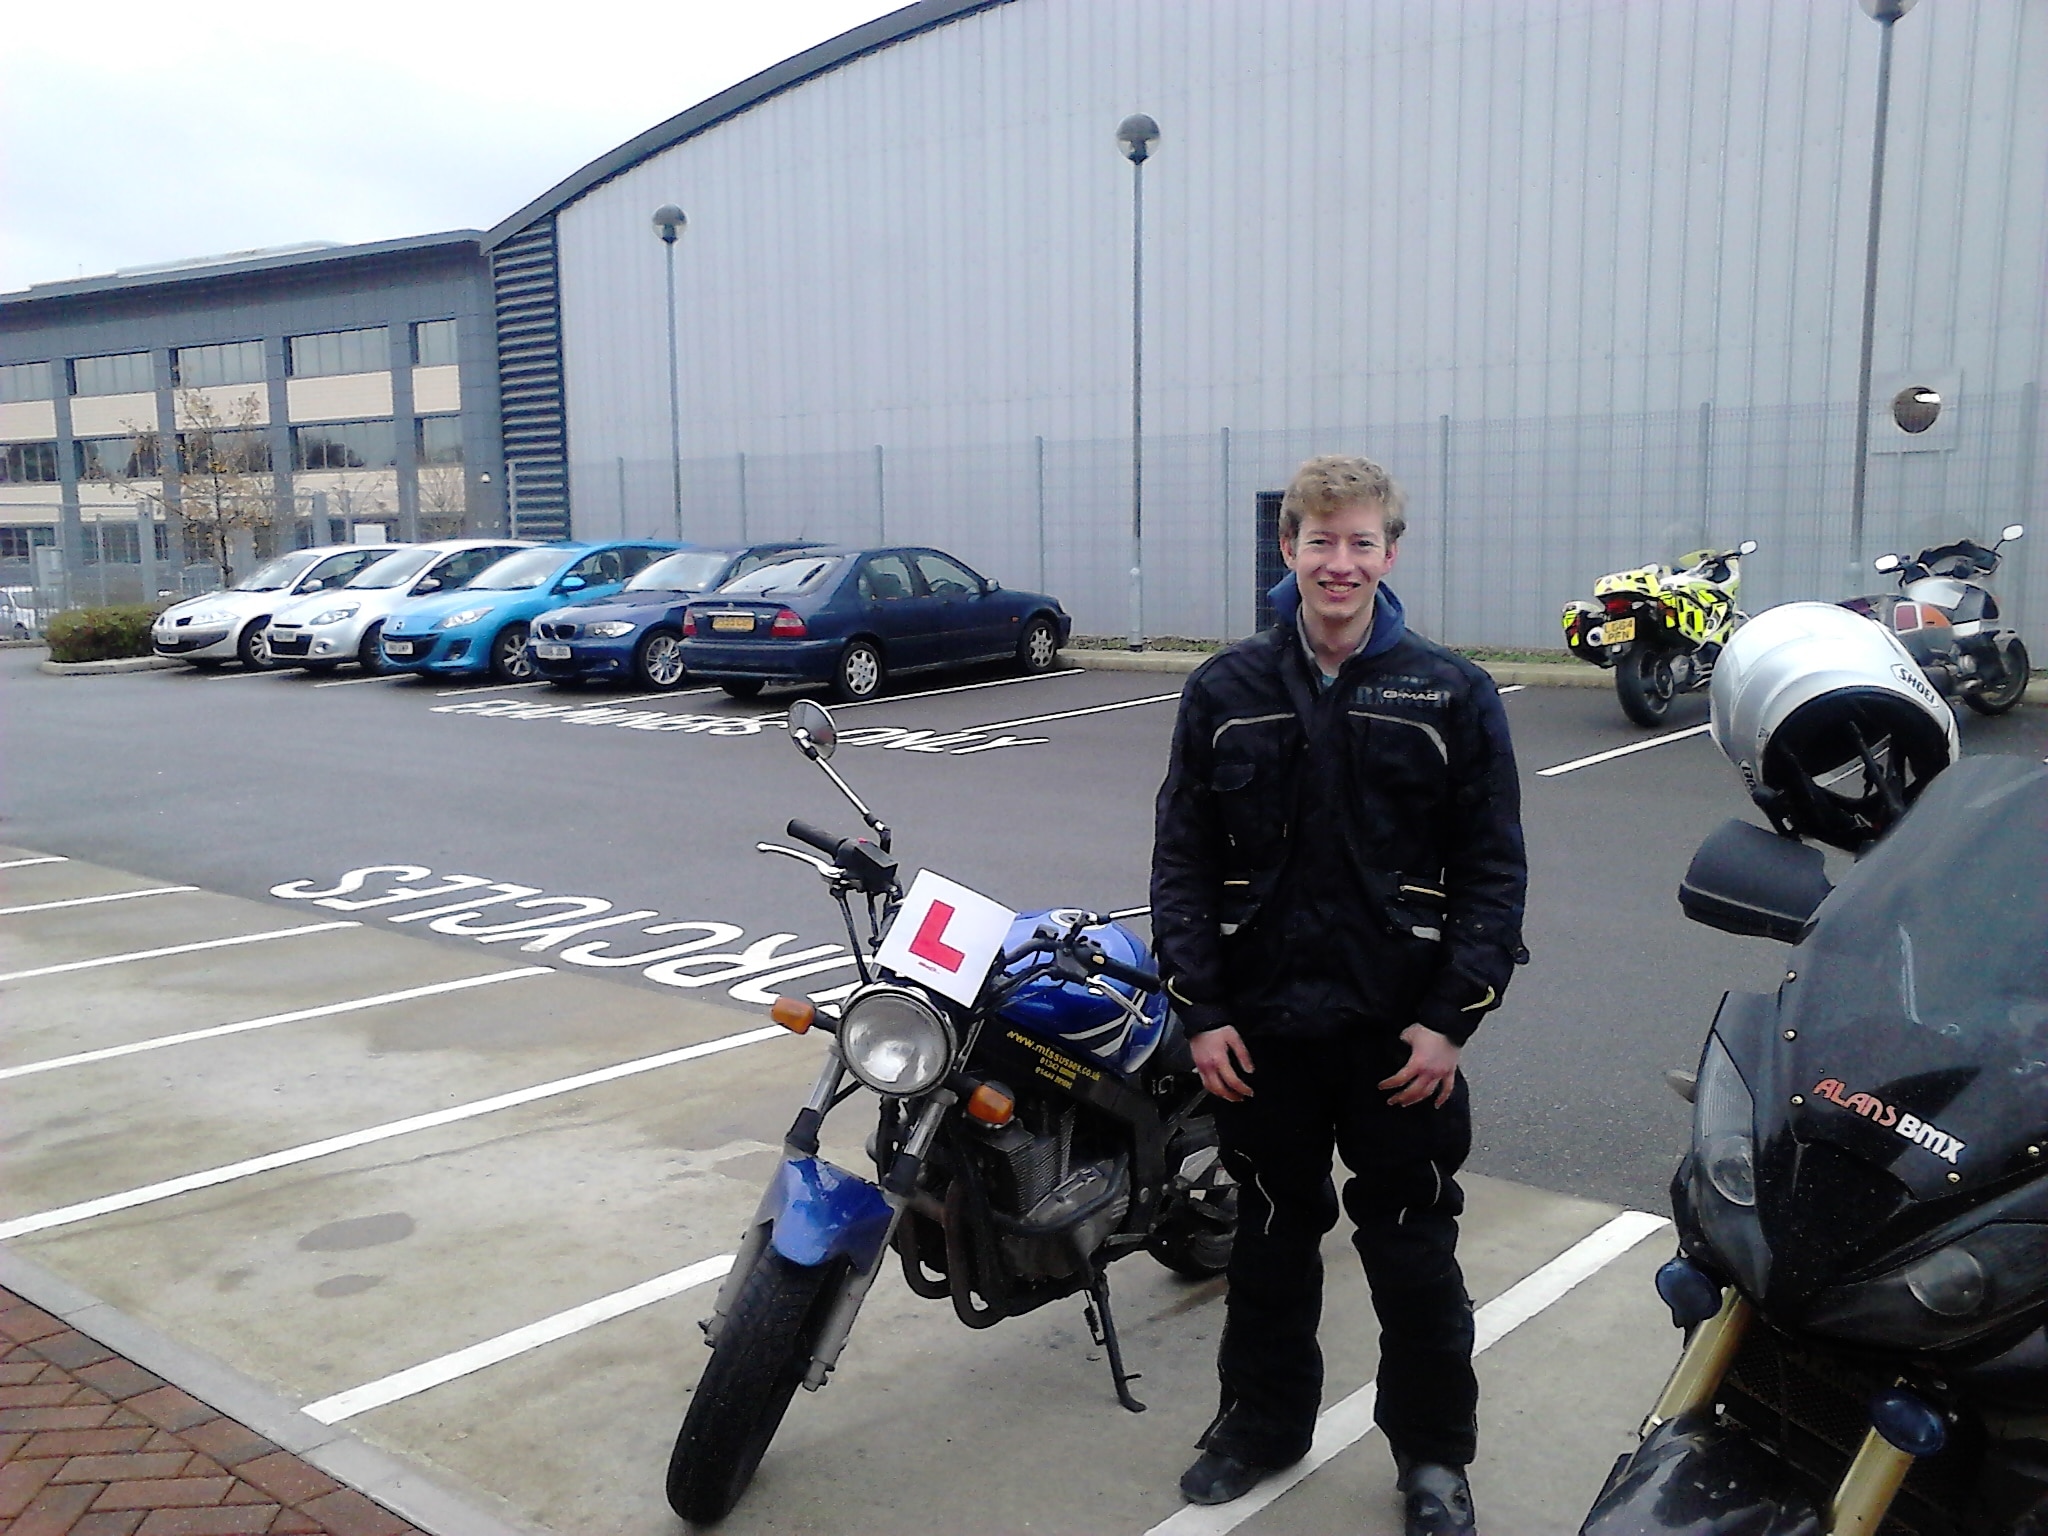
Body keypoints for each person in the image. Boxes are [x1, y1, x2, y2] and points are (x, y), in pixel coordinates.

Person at [1149, 454, 1527, 1536]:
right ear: (1288, 549)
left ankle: (1433, 1463)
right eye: (1320, 541)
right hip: (1260, 1031)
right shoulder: (1223, 690)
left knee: (1410, 1247)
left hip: (1394, 1038)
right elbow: (1179, 863)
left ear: (1389, 553)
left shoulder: (1448, 693)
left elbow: (1491, 874)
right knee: (1269, 1236)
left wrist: (1450, 1018)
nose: (1339, 562)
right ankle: (1260, 1426)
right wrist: (1202, 1011)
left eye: (1361, 542)